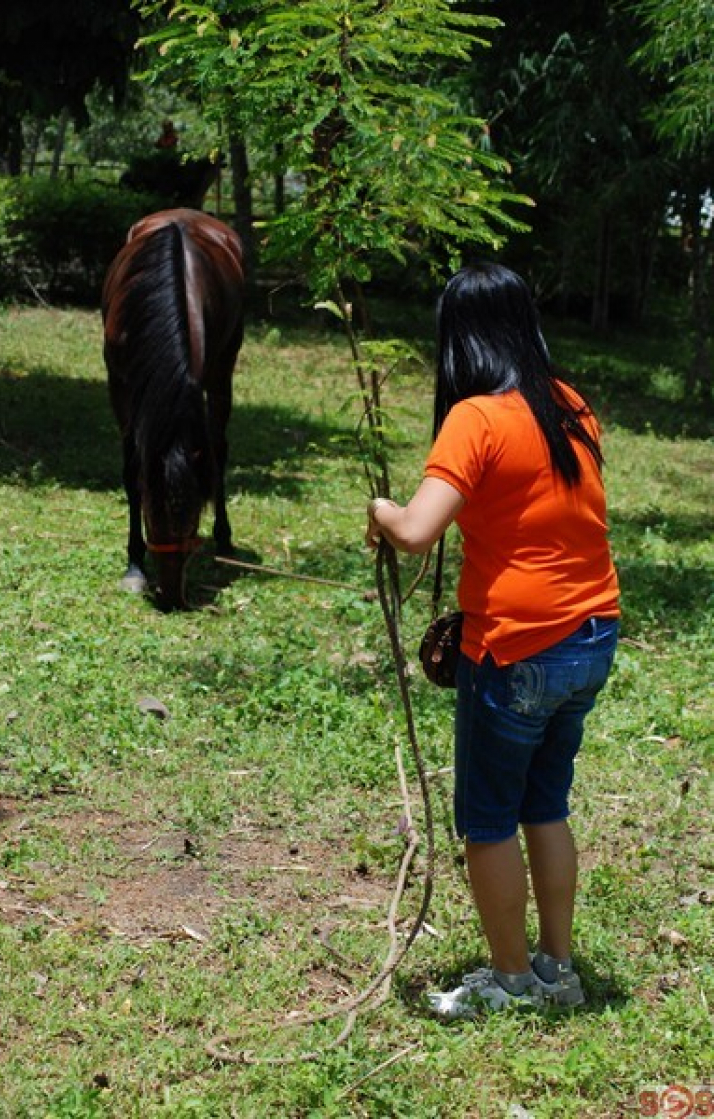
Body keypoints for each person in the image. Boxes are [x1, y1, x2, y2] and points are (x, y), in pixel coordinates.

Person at [366, 263, 620, 1020]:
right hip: (591, 637)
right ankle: (558, 967)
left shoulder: (476, 417)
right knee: (547, 803)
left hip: (515, 652)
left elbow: (416, 531)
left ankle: (509, 983)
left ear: (460, 339)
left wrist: (381, 509)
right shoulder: (571, 406)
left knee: (486, 819)